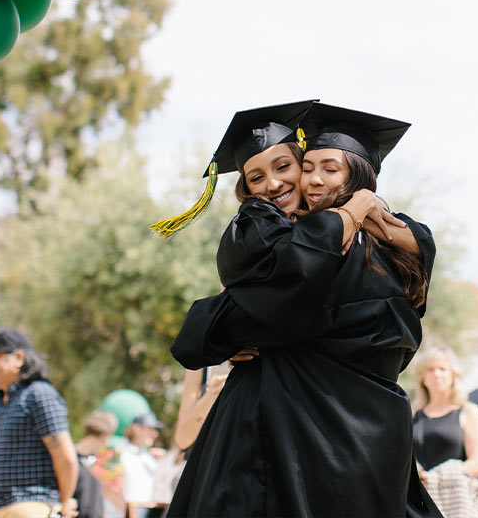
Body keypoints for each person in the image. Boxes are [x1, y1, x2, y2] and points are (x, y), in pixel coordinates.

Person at [167, 102, 440, 518]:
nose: (309, 179)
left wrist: (219, 329)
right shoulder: (394, 257)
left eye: (328, 169)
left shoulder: (324, 257)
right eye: (308, 167)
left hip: (301, 434)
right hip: (368, 437)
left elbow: (271, 305)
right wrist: (358, 211)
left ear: (358, 178)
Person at [0, 328, 79, 518]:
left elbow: (66, 457)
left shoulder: (39, 394)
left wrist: (64, 503)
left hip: (32, 504)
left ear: (19, 358)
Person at [411, 346, 478, 517]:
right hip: (418, 502)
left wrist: (436, 477)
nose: (437, 374)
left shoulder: (468, 411)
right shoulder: (412, 413)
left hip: (456, 504)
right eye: (430, 369)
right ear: (422, 377)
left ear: (453, 374)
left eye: (442, 369)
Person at [72, 411, 117, 518]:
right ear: (92, 438)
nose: (107, 444)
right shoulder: (72, 461)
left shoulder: (95, 461)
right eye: (105, 439)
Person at [121, 412, 163, 518]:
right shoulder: (121, 454)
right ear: (137, 429)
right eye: (150, 429)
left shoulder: (149, 458)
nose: (155, 434)